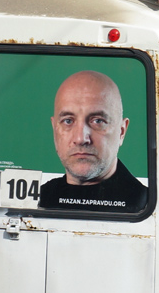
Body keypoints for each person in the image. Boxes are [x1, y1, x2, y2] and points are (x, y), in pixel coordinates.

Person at [38, 70, 148, 212]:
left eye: (98, 121)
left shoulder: (146, 206)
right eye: (68, 121)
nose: (80, 139)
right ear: (55, 129)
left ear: (121, 132)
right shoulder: (39, 200)